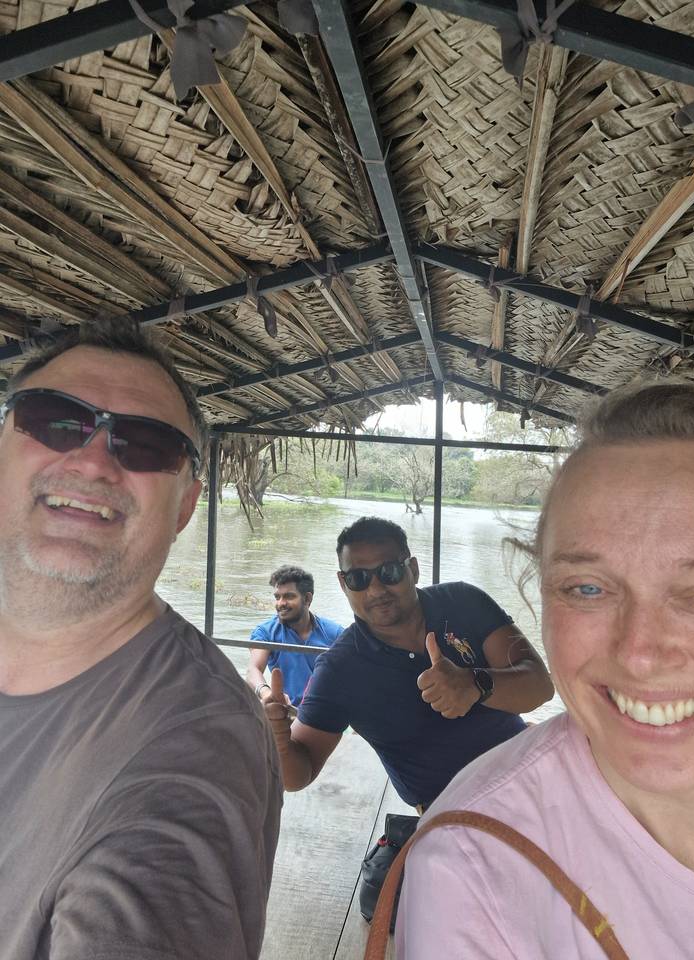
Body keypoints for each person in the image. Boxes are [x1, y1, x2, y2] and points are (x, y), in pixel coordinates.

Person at [397, 380, 694, 959]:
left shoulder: (463, 602)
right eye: (587, 589)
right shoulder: (473, 865)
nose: (640, 654)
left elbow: (532, 682)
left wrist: (474, 686)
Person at [0, 317, 282, 960]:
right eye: (55, 421)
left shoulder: (195, 741)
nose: (95, 461)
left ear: (185, 507)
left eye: (147, 444)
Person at [264, 516, 554, 811]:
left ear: (412, 569)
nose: (376, 590)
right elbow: (299, 775)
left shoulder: (463, 602)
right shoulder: (340, 669)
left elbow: (540, 686)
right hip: (454, 813)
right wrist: (278, 741)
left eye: (389, 572)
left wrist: (476, 684)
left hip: (531, 770)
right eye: (359, 578)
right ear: (343, 583)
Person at [246, 564, 344, 706]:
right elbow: (253, 669)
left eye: (289, 596)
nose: (281, 603)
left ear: (307, 599)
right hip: (285, 709)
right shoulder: (266, 632)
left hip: (323, 711)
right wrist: (267, 693)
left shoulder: (334, 633)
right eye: (277, 597)